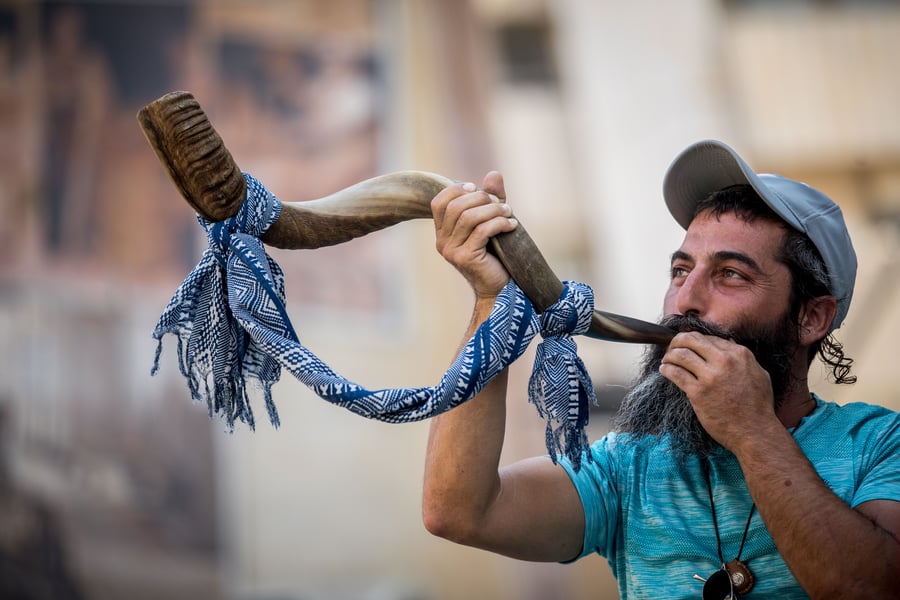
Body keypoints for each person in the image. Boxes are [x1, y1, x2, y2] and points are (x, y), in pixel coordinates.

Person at [422, 140, 900, 599]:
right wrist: (493, 300)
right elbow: (460, 511)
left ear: (811, 317)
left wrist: (752, 432)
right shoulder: (628, 466)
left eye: (730, 274)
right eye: (679, 270)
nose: (685, 300)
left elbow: (872, 589)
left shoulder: (880, 445)